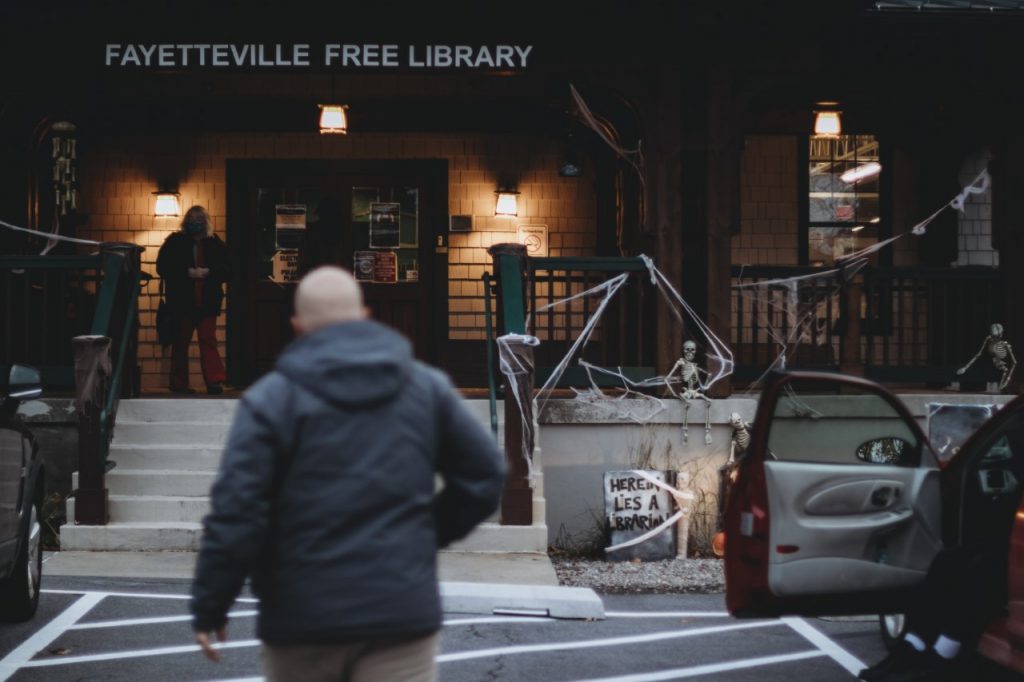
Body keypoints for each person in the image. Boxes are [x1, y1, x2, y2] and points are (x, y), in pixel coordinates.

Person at [190, 265, 506, 682]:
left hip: (300, 620)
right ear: (364, 315)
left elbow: (236, 512)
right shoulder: (425, 388)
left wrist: (213, 603)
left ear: (298, 326)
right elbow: (485, 475)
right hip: (400, 615)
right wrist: (425, 531)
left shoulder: (271, 401)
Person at [156, 205, 229, 395]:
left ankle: (214, 382)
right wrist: (186, 272)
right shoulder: (175, 241)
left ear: (206, 221)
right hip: (182, 302)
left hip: (207, 302)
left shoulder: (214, 242)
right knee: (180, 342)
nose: (195, 222)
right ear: (186, 220)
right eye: (192, 218)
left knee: (208, 341)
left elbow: (228, 268)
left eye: (199, 218)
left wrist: (209, 272)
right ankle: (179, 384)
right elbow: (162, 266)